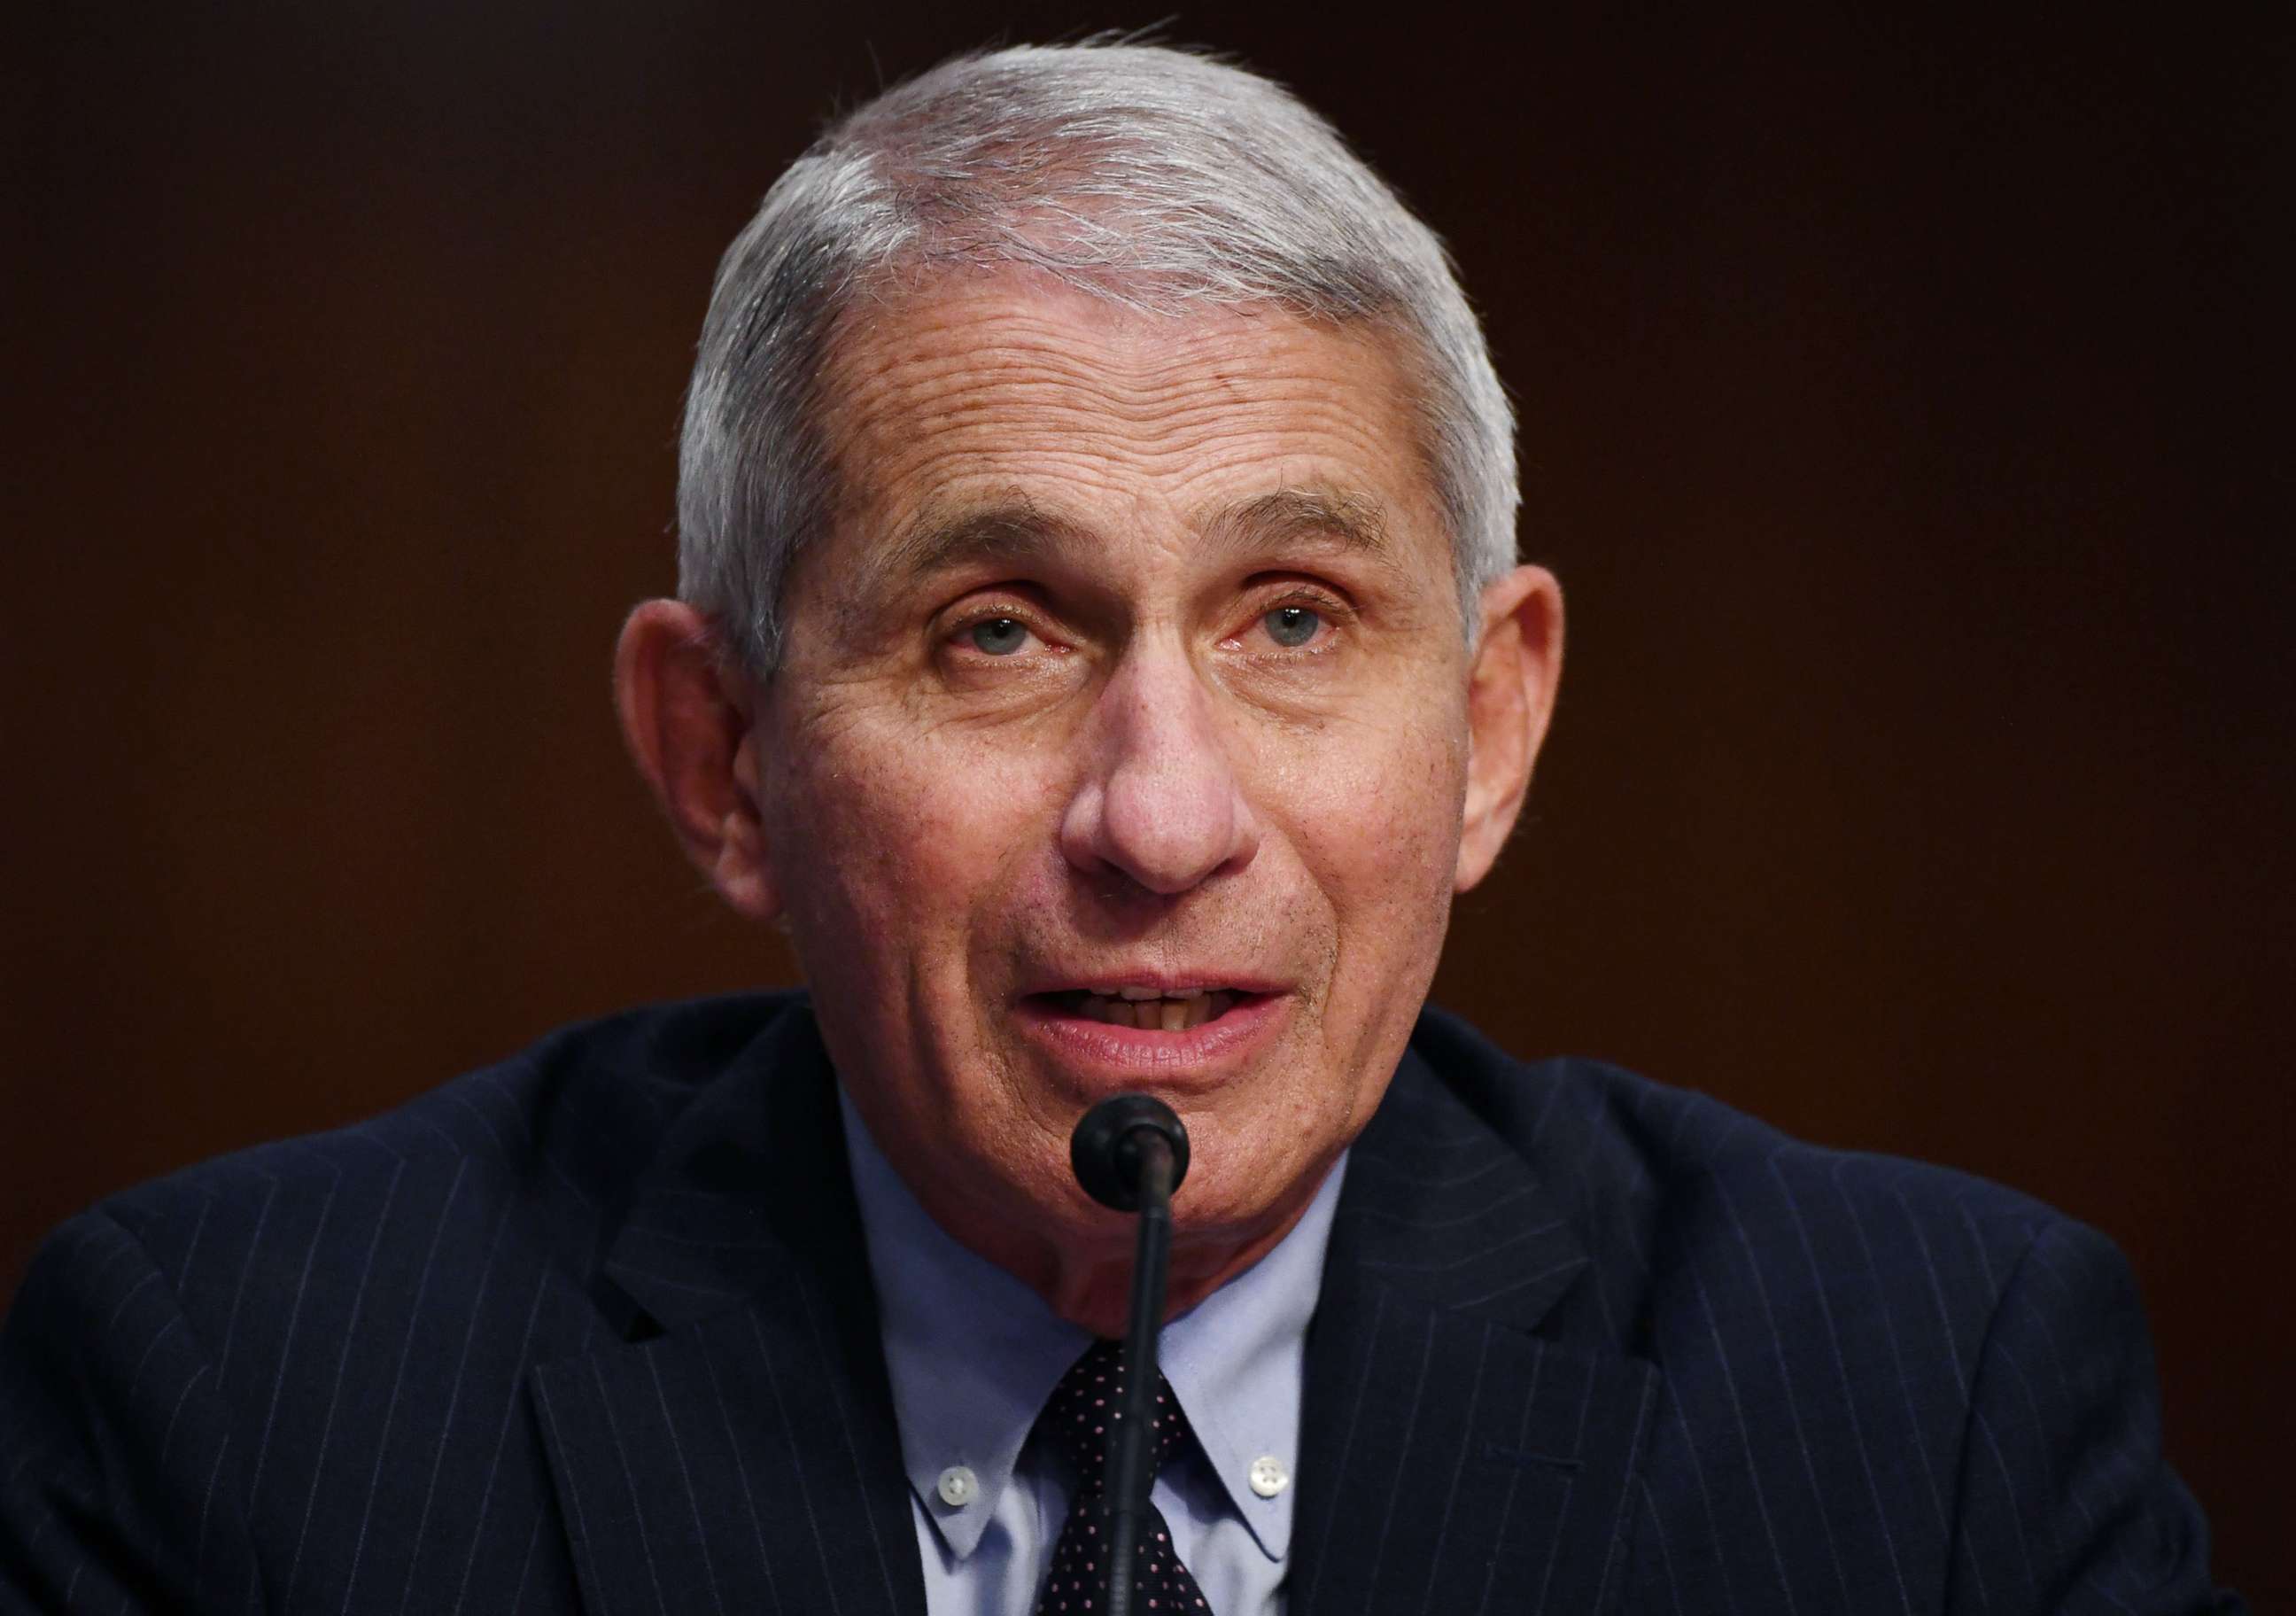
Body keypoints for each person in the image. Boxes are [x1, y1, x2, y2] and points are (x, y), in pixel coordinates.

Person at [0, 41, 2238, 1616]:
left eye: (1291, 616)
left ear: (1486, 727)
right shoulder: (250, 1409)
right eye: (997, 633)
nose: (1160, 816)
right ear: (719, 755)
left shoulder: (1919, 1403)